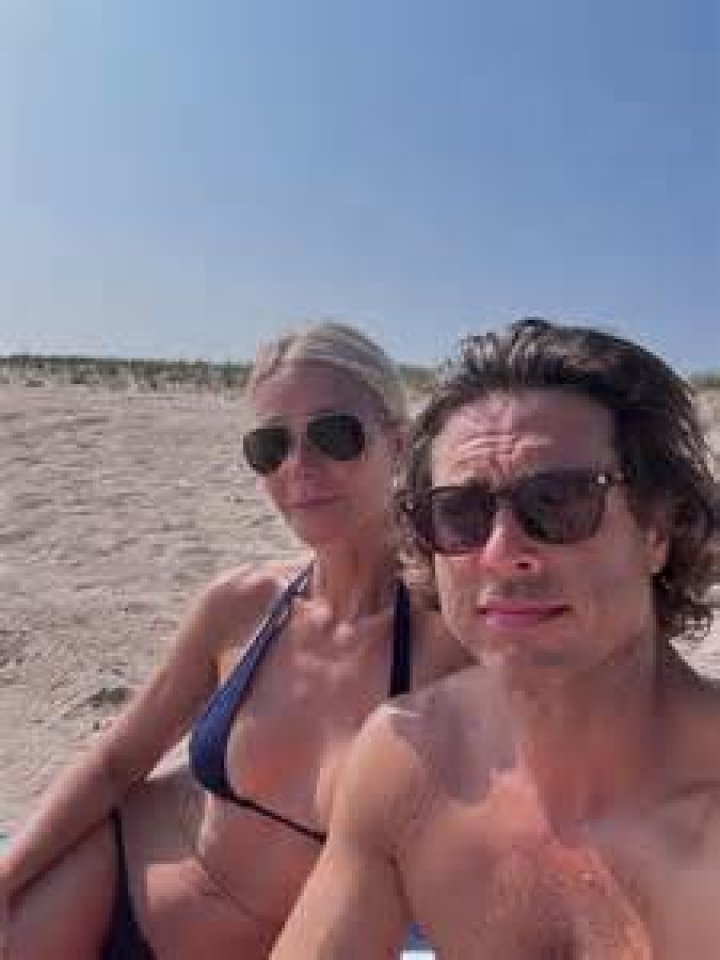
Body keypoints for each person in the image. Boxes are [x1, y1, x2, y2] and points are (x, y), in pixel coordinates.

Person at [0, 321, 467, 959]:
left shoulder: (449, 650)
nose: (299, 466)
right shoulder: (242, 605)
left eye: (334, 435)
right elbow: (115, 763)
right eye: (271, 446)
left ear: (400, 442)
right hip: (117, 876)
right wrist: (8, 880)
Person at [271, 317, 720, 959]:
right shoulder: (410, 765)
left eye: (559, 501)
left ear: (659, 530)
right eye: (460, 512)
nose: (503, 551)